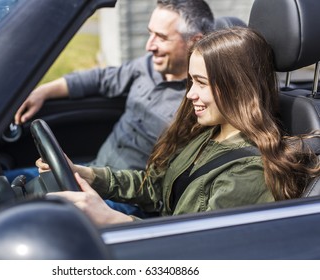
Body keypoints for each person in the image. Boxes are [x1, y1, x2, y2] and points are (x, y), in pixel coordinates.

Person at [39, 27, 320, 225]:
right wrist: (86, 174)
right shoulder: (209, 134)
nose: (189, 94)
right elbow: (155, 187)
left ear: (237, 88)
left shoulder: (248, 171)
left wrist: (114, 220)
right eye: (191, 81)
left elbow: (191, 251)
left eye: (201, 83)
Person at [13, 0, 214, 172]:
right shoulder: (146, 65)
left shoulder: (201, 101)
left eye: (161, 38)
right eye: (150, 34)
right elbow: (100, 78)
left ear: (194, 42)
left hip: (123, 199)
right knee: (4, 184)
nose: (149, 46)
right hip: (91, 170)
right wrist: (42, 92)